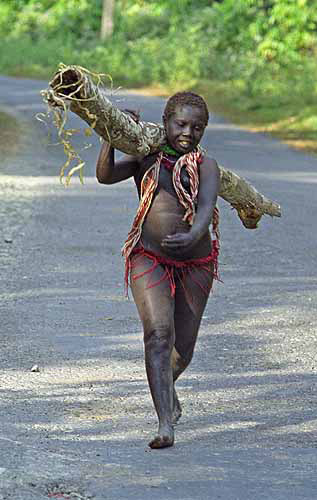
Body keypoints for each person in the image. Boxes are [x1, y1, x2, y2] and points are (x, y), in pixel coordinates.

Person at [95, 92, 220, 449]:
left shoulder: (206, 166)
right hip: (148, 257)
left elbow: (206, 210)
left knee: (183, 351)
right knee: (158, 336)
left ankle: (168, 393)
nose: (187, 132)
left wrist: (194, 235)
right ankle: (165, 422)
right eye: (180, 124)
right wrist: (108, 136)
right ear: (165, 123)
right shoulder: (145, 157)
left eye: (197, 127)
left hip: (196, 262)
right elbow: (105, 176)